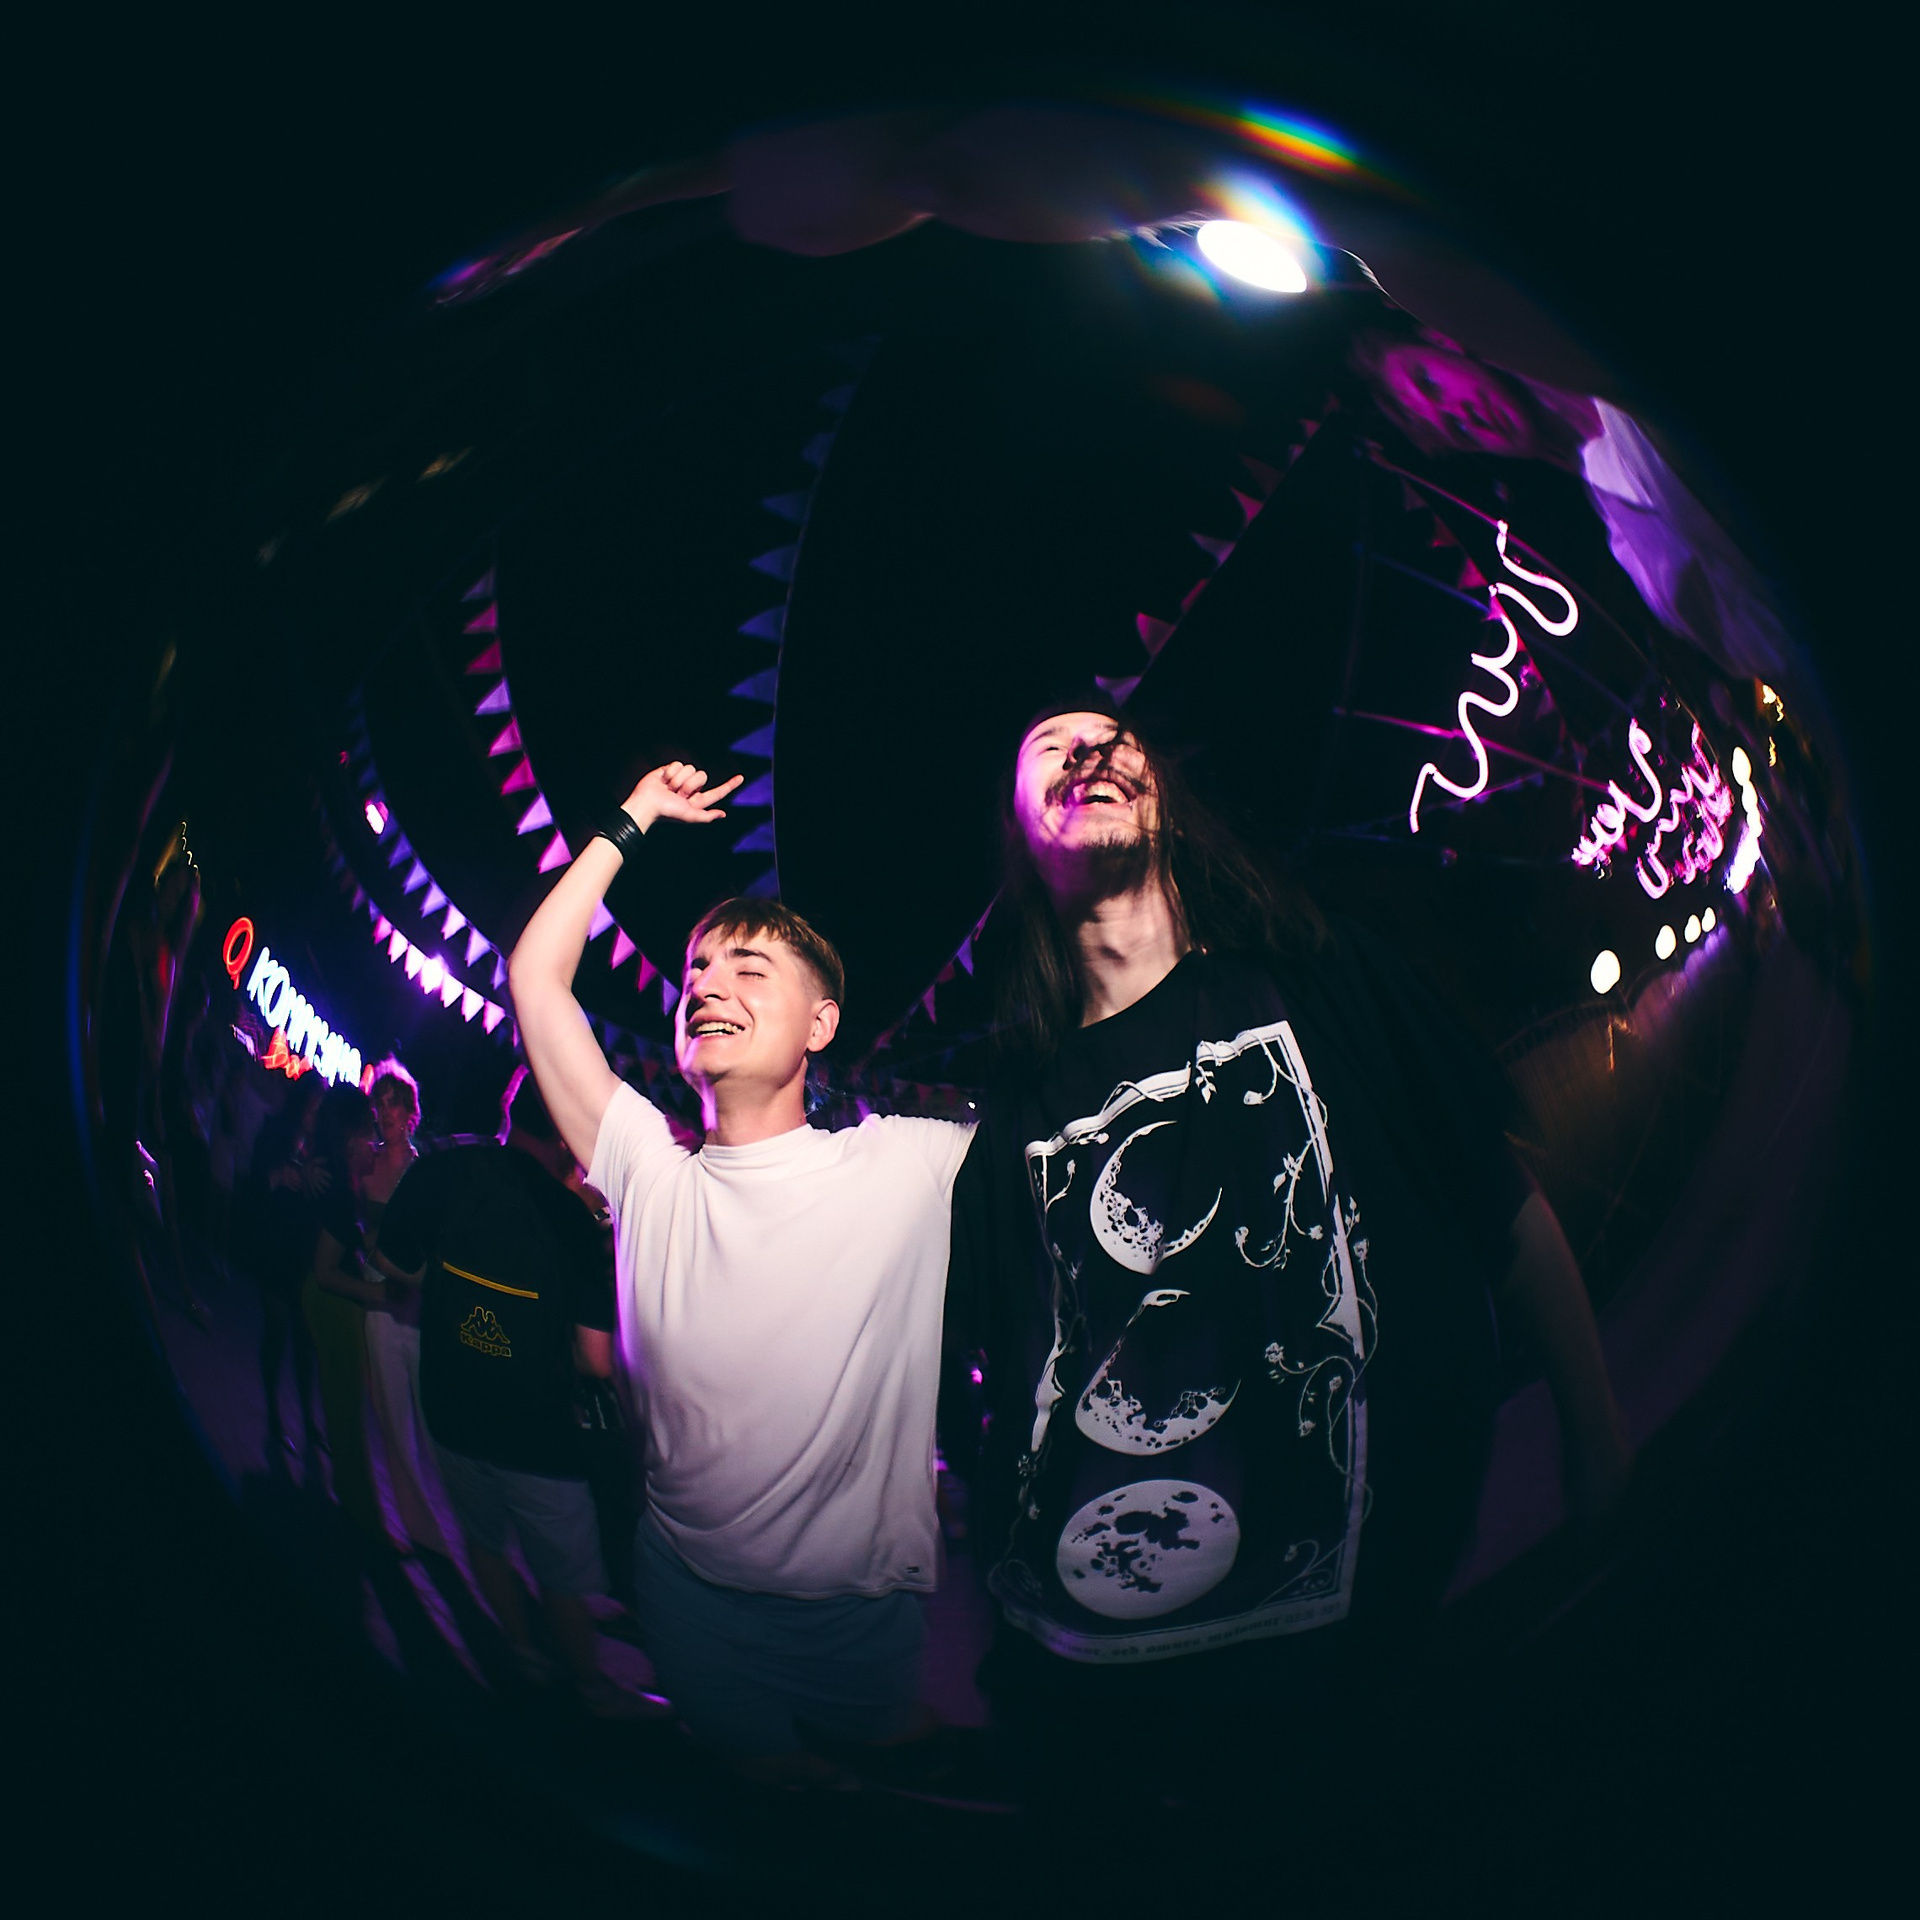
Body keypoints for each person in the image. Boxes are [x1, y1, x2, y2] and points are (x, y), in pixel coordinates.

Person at [946, 696, 1632, 1807]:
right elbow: (983, 1387)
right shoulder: (1012, 1117)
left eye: (1112, 739)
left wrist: (1599, 1451)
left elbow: (1503, 1208)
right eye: (1049, 748)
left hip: (1383, 1657)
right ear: (1019, 834)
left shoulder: (1319, 976)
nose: (1088, 753)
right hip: (1111, 1715)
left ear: (1164, 800)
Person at [508, 758, 975, 1789]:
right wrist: (633, 816)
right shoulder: (647, 1170)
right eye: (698, 972)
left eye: (750, 970)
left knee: (884, 1785)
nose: (708, 985)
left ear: (820, 1026)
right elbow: (538, 979)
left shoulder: (907, 1165)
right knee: (754, 1790)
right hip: (680, 1592)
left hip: (858, 1612)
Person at [373, 1067, 665, 1720]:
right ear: (565, 1134)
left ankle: (523, 1652)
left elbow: (392, 1261)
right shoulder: (572, 1220)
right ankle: (589, 1687)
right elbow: (594, 1361)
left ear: (512, 1116)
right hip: (536, 1431)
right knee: (561, 1575)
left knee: (483, 1539)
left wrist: (451, 1286)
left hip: (450, 1404)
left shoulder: (443, 1169)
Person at [359, 1058, 454, 1559]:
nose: (387, 1112)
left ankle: (470, 1528)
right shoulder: (364, 1162)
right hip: (375, 1298)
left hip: (416, 1305)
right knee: (394, 1421)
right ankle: (421, 1532)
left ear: (412, 1113)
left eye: (395, 1103)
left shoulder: (424, 1171)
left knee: (433, 1417)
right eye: (381, 1103)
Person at [299, 1082, 390, 1541]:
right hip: (330, 1304)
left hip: (328, 1302)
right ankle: (362, 1517)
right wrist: (377, 1295)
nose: (377, 1140)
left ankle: (355, 1503)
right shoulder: (335, 1188)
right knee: (346, 1412)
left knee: (344, 1409)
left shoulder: (336, 1179)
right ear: (351, 1139)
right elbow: (324, 1272)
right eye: (371, 1130)